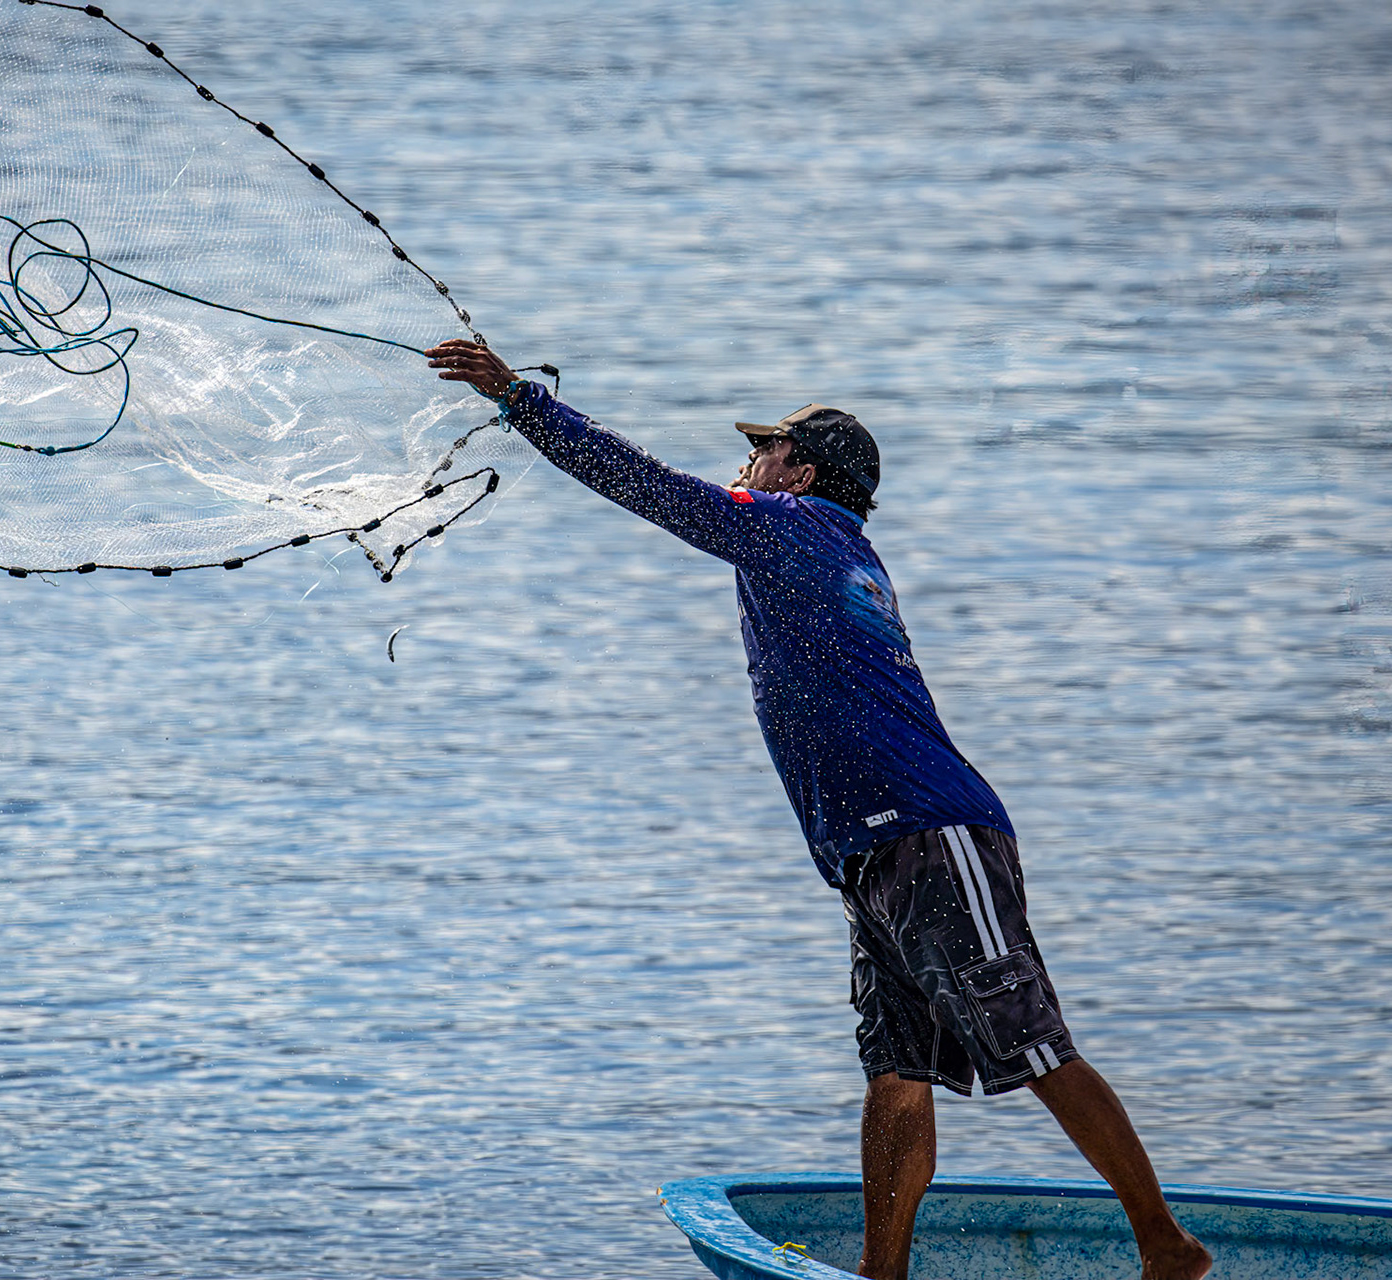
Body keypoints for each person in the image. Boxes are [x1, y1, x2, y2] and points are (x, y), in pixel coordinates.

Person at [424, 339, 1213, 1280]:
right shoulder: (821, 543)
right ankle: (884, 1274)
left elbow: (649, 487)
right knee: (896, 1073)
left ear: (800, 472)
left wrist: (521, 399)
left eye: (765, 448)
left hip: (929, 834)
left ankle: (1168, 1249)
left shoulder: (788, 528)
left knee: (1034, 1046)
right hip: (869, 855)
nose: (748, 460)